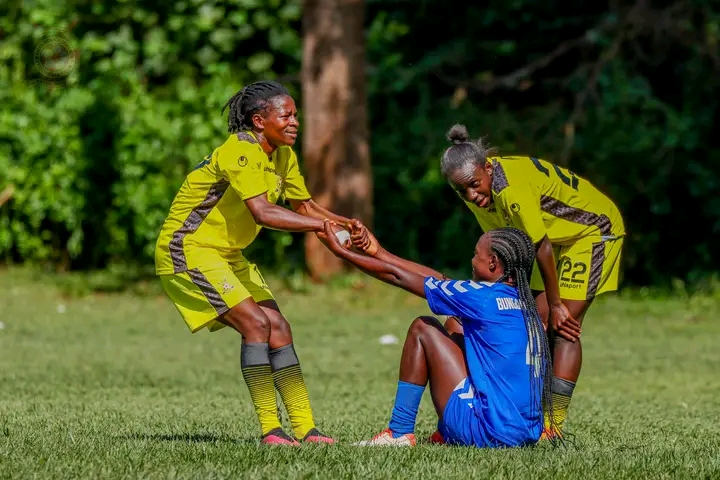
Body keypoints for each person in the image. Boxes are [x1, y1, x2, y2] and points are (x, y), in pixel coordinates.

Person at [154, 80, 371, 445]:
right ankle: (271, 430)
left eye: (296, 115)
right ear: (259, 120)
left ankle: (306, 430)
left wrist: (346, 224)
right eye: (286, 115)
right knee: (257, 325)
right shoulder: (239, 152)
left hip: (226, 253)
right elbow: (263, 212)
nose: (294, 122)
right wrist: (323, 225)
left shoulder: (282, 154)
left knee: (279, 327)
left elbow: (303, 207)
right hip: (188, 250)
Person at [438, 124, 624, 438]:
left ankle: (554, 424)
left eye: (474, 185)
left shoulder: (512, 187)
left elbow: (542, 247)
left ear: (488, 167)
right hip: (547, 243)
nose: (471, 195)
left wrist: (555, 304)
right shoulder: (475, 193)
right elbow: (500, 243)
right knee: (526, 320)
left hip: (591, 233)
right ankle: (499, 414)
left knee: (560, 323)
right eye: (462, 191)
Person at [329, 221, 555, 447]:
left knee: (424, 328)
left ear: (493, 262)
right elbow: (441, 283)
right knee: (455, 325)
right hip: (526, 435)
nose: (472, 261)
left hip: (489, 433)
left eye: (476, 255)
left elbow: (398, 277)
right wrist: (379, 253)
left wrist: (344, 254)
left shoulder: (481, 297)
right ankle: (445, 432)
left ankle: (398, 433)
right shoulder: (526, 304)